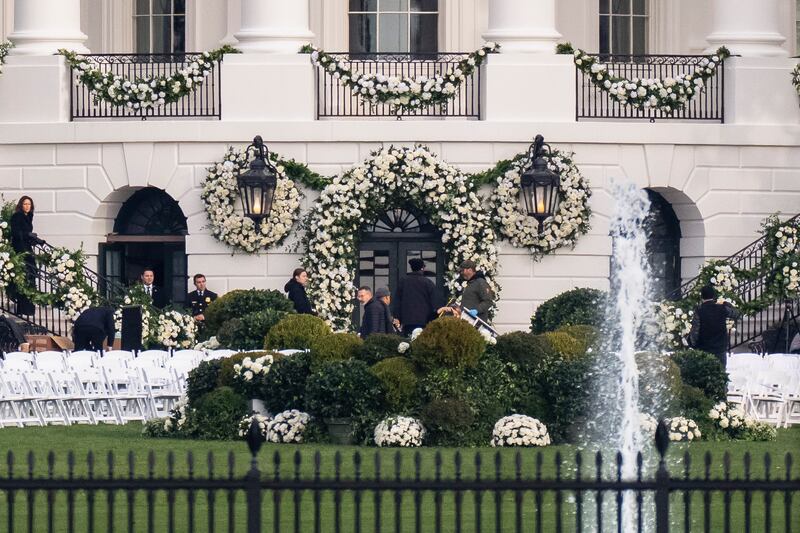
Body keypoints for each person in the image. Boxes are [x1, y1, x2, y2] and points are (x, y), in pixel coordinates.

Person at [8, 196, 44, 316]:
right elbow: (16, 233)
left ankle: (27, 308)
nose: (27, 206)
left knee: (31, 275)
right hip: (20, 250)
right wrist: (29, 235)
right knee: (27, 276)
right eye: (25, 204)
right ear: (21, 205)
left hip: (26, 248)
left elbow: (26, 235)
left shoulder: (28, 216)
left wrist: (36, 239)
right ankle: (23, 309)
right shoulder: (17, 216)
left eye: (29, 204)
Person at [688, 285, 741, 366]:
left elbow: (695, 331)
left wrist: (693, 344)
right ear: (713, 296)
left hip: (704, 348)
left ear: (702, 297)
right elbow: (736, 314)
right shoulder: (722, 308)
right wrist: (727, 305)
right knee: (721, 373)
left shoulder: (699, 311)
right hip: (720, 348)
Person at [393, 258, 437, 336]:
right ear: (422, 268)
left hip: (407, 321)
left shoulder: (403, 282)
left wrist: (397, 317)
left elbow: (397, 302)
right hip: (424, 322)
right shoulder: (428, 283)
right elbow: (434, 303)